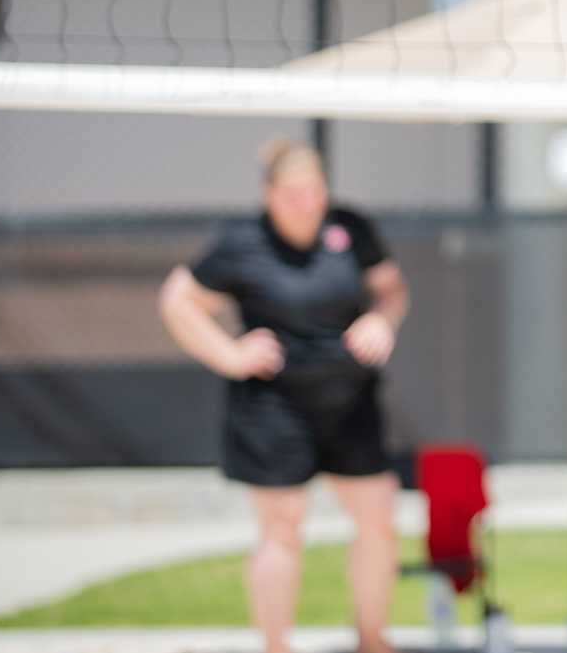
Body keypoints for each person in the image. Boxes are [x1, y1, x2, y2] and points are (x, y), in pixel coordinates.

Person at [158, 139, 409, 653]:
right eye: (293, 194)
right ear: (270, 194)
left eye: (314, 192)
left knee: (379, 521)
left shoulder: (350, 229)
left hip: (350, 399)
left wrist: (381, 321)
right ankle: (276, 646)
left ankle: (372, 639)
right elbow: (177, 301)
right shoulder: (243, 241)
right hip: (275, 405)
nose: (305, 204)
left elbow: (392, 289)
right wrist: (228, 354)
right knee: (281, 528)